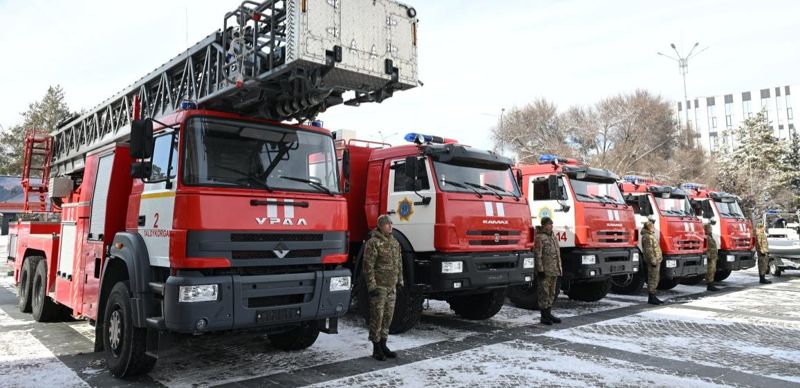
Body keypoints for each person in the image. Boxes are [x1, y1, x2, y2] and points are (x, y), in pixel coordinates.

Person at [363, 214, 404, 360]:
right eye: (387, 224)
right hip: (379, 288)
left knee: (388, 316)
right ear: (380, 226)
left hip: (391, 287)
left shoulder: (395, 243)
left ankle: (383, 344)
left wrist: (400, 281)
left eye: (391, 224)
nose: (390, 226)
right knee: (377, 317)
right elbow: (368, 266)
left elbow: (399, 263)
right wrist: (372, 286)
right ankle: (376, 347)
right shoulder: (373, 243)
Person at [534, 217, 562, 325]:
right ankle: (544, 316)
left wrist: (559, 268)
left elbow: (557, 254)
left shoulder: (553, 236)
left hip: (554, 270)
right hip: (545, 271)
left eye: (551, 224)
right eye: (549, 224)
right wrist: (540, 270)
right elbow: (538, 255)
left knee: (552, 293)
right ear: (544, 225)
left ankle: (549, 313)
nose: (551, 226)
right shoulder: (540, 237)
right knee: (544, 293)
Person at [641, 220, 664, 305]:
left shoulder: (650, 235)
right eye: (652, 226)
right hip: (653, 261)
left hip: (656, 260)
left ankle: (653, 296)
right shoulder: (647, 237)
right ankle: (651, 297)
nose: (653, 228)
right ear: (648, 228)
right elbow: (649, 250)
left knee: (655, 278)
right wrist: (653, 261)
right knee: (652, 278)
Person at [704, 223, 720, 291]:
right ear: (706, 229)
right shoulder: (706, 237)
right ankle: (710, 285)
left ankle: (711, 284)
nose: (711, 229)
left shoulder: (710, 236)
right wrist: (708, 255)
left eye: (711, 228)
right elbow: (705, 247)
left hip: (713, 256)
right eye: (710, 228)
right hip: (710, 257)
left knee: (713, 270)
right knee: (710, 271)